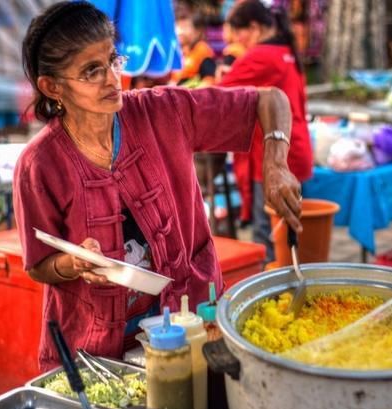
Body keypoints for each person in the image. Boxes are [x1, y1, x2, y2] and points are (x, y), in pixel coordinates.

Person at [15, 1, 302, 372]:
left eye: (113, 61)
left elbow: (269, 100)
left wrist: (276, 162)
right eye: (91, 71)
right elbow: (39, 265)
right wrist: (71, 264)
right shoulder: (39, 165)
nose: (111, 78)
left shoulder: (163, 112)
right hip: (99, 350)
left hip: (192, 323)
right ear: (52, 86)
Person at [219, 0, 313, 263]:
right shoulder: (286, 50)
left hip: (276, 154)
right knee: (288, 228)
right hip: (295, 148)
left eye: (239, 33)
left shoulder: (262, 55)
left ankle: (271, 292)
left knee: (269, 229)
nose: (238, 40)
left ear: (254, 27)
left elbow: (217, 95)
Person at [171, 12, 216, 86]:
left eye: (185, 27)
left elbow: (209, 81)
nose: (180, 31)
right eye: (177, 26)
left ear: (197, 31)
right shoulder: (178, 52)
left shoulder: (203, 50)